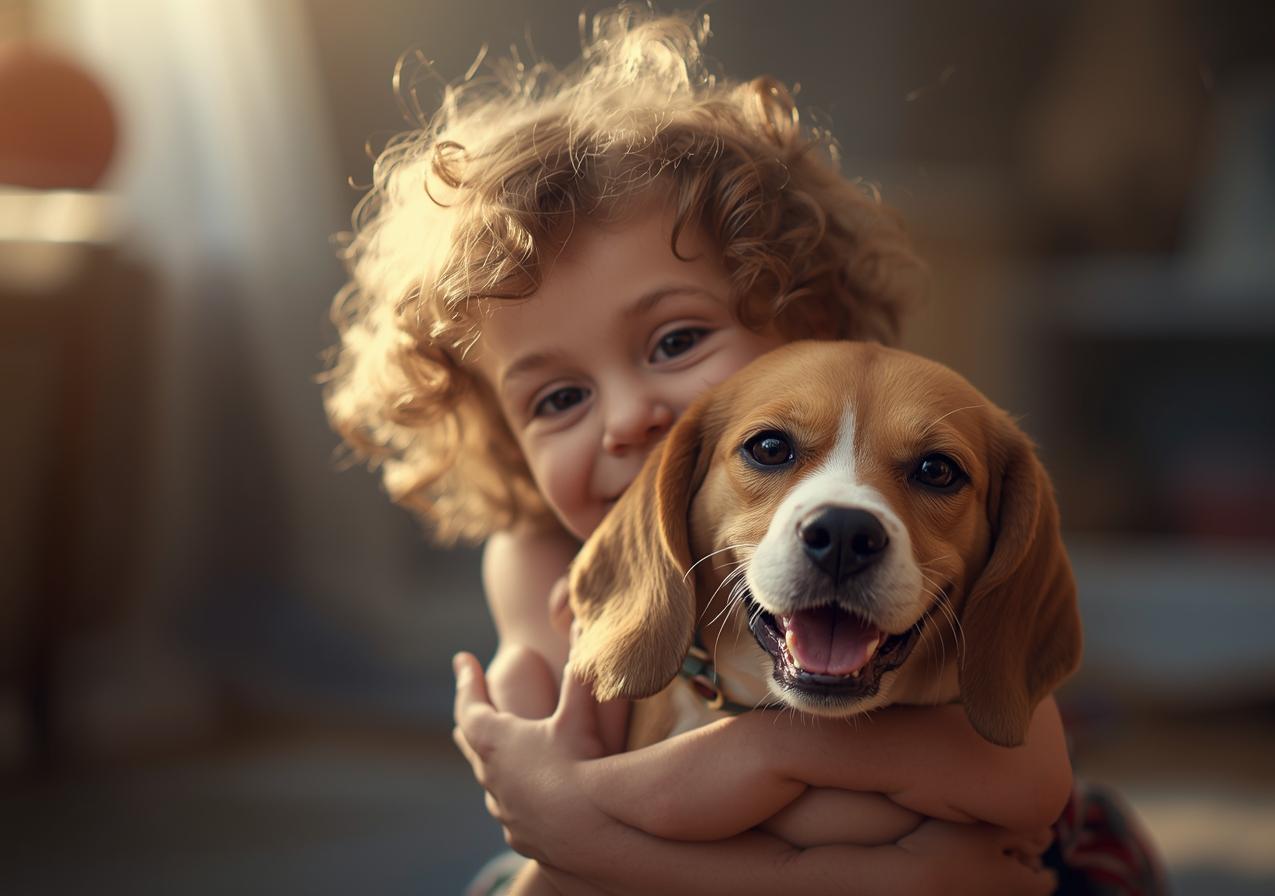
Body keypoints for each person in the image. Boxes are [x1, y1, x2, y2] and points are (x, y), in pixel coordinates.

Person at [322, 9, 1162, 895]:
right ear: (504, 437)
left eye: (676, 342)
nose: (629, 420)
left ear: (806, 328)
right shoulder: (539, 567)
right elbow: (556, 815)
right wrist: (595, 819)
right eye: (560, 398)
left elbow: (1025, 792)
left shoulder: (968, 594)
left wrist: (681, 792)